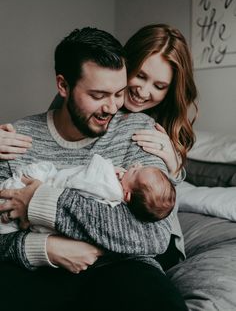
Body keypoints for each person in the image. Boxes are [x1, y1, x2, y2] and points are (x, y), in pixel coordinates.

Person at [0, 26, 188, 311]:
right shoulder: (17, 137)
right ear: (63, 86)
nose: (112, 107)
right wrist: (43, 248)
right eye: (98, 95)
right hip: (35, 267)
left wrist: (41, 202)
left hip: (121, 269)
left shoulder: (140, 132)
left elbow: (155, 235)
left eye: (118, 93)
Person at [0, 154, 176, 234]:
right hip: (46, 190)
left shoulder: (111, 189)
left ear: (127, 196)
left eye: (137, 172)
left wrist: (106, 170)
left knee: (19, 184)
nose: (137, 164)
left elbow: (81, 182)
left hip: (50, 186)